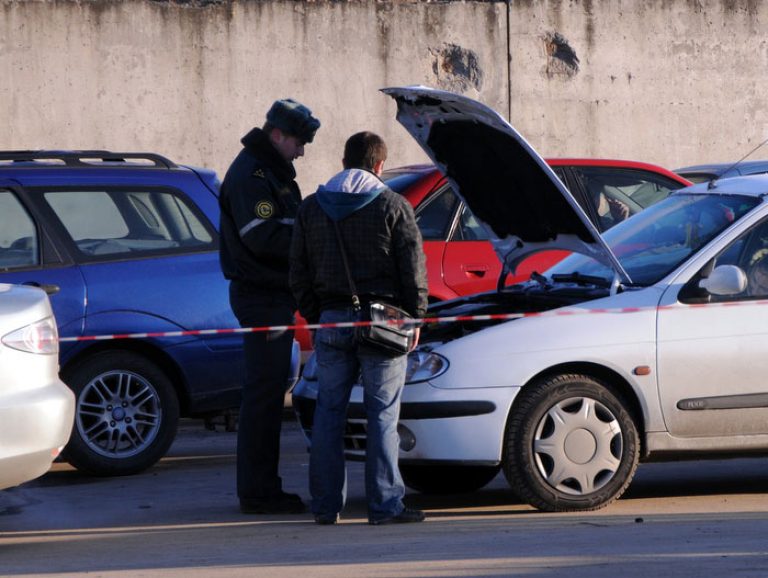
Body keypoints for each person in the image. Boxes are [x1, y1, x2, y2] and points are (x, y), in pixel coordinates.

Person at [289, 131, 429, 525]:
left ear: (343, 159)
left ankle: (325, 506)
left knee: (328, 413)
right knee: (382, 414)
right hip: (384, 325)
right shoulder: (393, 205)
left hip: (331, 320)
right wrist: (414, 316)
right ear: (380, 165)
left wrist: (317, 316)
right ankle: (385, 505)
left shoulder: (311, 208)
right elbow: (413, 269)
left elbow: (297, 272)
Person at [219, 98, 320, 515]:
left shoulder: (267, 171)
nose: (301, 151)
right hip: (261, 297)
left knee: (266, 391)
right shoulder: (252, 175)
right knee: (263, 396)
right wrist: (312, 239)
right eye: (298, 142)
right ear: (277, 135)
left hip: (272, 296)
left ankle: (263, 488)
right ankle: (259, 492)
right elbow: (263, 236)